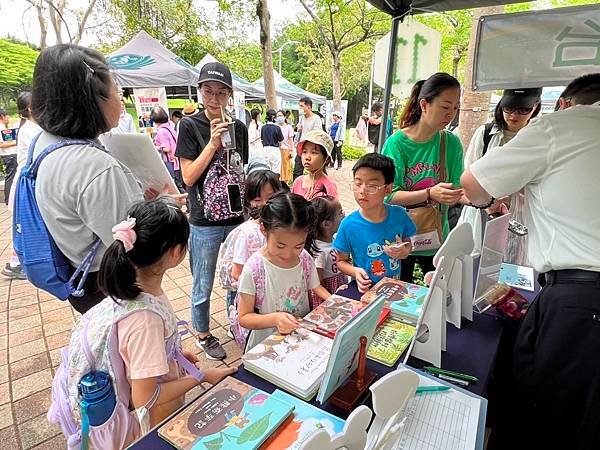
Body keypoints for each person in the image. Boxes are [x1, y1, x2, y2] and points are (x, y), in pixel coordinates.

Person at [460, 73, 600, 450]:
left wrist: (490, 199)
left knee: (544, 415)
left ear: (564, 104)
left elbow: (473, 184)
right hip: (574, 297)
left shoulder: (560, 126)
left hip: (579, 301)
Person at [54, 199, 236, 448]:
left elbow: (133, 351)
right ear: (176, 252)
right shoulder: (145, 320)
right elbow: (145, 398)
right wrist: (201, 376)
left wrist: (173, 355)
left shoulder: (132, 294)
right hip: (149, 421)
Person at [26, 44, 186, 314]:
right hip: (113, 287)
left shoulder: (45, 145)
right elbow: (136, 247)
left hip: (79, 275)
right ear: (91, 99)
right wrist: (167, 209)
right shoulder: (96, 167)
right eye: (116, 90)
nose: (121, 99)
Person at [175, 61, 248, 361]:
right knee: (202, 280)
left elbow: (240, 171)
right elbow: (188, 177)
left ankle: (235, 321)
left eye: (221, 93)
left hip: (235, 217)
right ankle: (203, 332)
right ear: (200, 92)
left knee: (237, 276)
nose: (214, 99)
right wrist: (213, 143)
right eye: (208, 92)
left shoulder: (240, 128)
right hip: (203, 219)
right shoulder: (190, 126)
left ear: (230, 95)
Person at [382, 73, 465, 283]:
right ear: (424, 104)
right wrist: (429, 193)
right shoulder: (397, 143)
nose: (451, 115)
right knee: (400, 295)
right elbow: (388, 195)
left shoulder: (451, 143)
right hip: (401, 238)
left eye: (455, 108)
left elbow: (457, 190)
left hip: (437, 235)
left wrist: (485, 201)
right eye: (445, 107)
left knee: (441, 294)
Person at [236, 192, 330, 350]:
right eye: (280, 245)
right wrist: (275, 319)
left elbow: (316, 287)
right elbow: (244, 317)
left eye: (298, 246)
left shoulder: (304, 258)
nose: (288, 254)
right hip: (266, 344)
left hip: (299, 337)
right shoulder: (254, 268)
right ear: (264, 229)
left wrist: (334, 301)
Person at [459, 88, 542, 262]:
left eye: (523, 109)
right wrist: (487, 201)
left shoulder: (539, 138)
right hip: (481, 213)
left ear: (535, 106)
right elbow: (467, 175)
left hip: (520, 217)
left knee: (513, 267)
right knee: (476, 265)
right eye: (509, 108)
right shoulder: (486, 134)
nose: (514, 115)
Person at [334, 154, 415, 293]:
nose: (362, 191)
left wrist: (404, 251)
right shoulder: (348, 225)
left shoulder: (399, 215)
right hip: (365, 290)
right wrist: (355, 272)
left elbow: (407, 243)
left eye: (372, 186)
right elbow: (341, 261)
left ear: (388, 189)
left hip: (394, 288)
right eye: (358, 184)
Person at [220, 169, 283, 322]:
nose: (264, 204)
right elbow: (237, 273)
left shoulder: (280, 227)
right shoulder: (247, 234)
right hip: (247, 293)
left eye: (270, 197)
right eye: (257, 199)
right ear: (248, 202)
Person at [2, 92, 42, 280]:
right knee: (24, 225)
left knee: (25, 224)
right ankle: (17, 264)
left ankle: (18, 262)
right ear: (31, 109)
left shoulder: (31, 127)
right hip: (27, 184)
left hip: (27, 182)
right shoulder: (31, 130)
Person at [310, 196, 347, 308]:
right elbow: (317, 284)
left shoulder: (335, 240)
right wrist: (332, 298)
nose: (344, 215)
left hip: (340, 290)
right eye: (340, 213)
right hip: (329, 298)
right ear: (326, 224)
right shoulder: (319, 251)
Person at [292, 129, 338, 200]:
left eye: (314, 153)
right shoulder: (298, 182)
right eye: (304, 152)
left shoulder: (329, 186)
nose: (307, 157)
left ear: (327, 159)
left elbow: (334, 210)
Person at [151, 106, 183, 193]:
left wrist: (155, 146)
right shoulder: (169, 128)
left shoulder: (161, 131)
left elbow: (167, 148)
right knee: (178, 184)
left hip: (170, 162)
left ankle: (186, 202)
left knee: (176, 186)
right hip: (176, 161)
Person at [294, 97, 323, 180]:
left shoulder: (316, 118)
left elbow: (318, 134)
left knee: (317, 168)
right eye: (299, 106)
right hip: (302, 146)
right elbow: (299, 130)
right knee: (297, 169)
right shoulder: (302, 118)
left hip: (312, 147)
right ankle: (297, 188)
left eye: (301, 106)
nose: (300, 108)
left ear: (309, 107)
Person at [0, 108, 17, 206]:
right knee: (10, 177)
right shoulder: (1, 128)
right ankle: (9, 200)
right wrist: (16, 143)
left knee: (10, 177)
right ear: (2, 116)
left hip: (8, 156)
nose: (8, 117)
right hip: (9, 156)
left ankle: (9, 199)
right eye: (7, 115)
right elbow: (1, 144)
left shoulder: (3, 128)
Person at [260, 109, 284, 175]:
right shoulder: (277, 128)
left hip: (265, 149)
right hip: (275, 150)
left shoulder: (263, 127)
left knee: (266, 171)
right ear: (274, 117)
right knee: (276, 171)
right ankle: (275, 184)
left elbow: (262, 139)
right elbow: (280, 141)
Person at [276, 109, 294, 183]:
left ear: (284, 116)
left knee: (286, 166)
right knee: (278, 166)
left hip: (286, 148)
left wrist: (291, 150)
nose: (279, 117)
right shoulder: (276, 127)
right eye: (278, 116)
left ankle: (285, 182)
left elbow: (290, 140)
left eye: (280, 115)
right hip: (277, 149)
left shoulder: (289, 127)